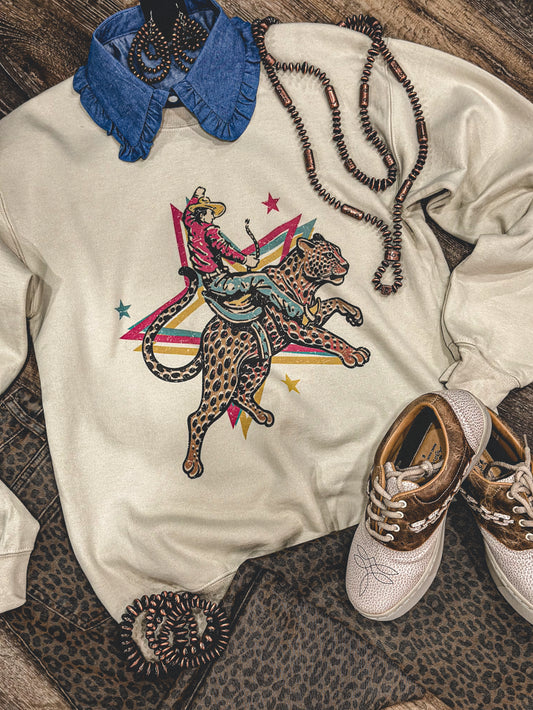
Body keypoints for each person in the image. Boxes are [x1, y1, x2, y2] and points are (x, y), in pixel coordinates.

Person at [183, 186, 316, 323]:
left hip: (211, 281)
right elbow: (225, 249)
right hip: (221, 282)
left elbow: (187, 215)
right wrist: (246, 260)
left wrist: (196, 197)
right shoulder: (210, 231)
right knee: (263, 279)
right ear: (202, 215)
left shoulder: (193, 227)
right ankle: (300, 314)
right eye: (210, 213)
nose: (213, 216)